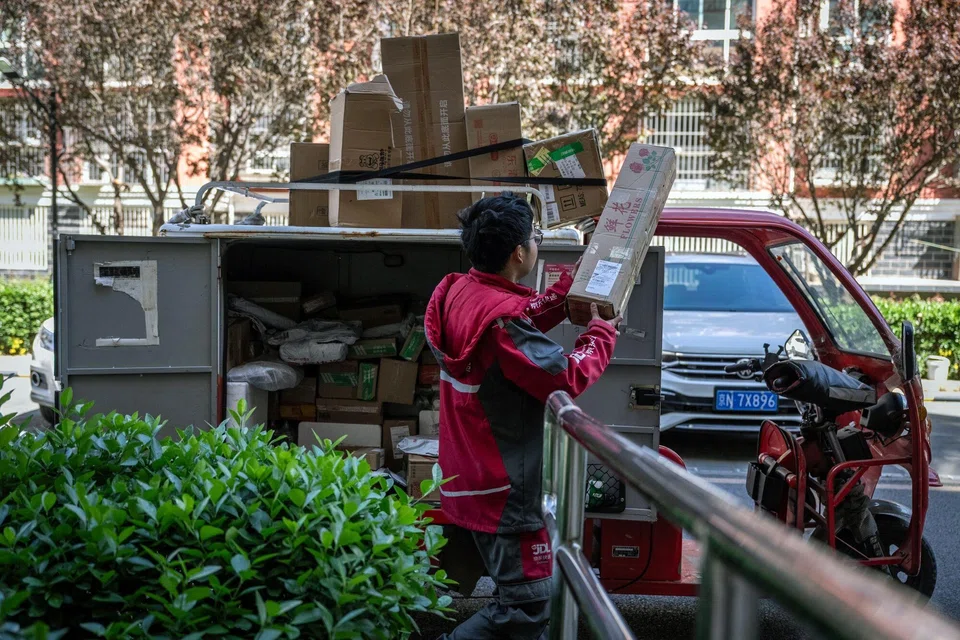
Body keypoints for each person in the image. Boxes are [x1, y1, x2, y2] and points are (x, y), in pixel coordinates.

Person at [423, 193, 622, 639]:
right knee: (527, 607)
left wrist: (574, 284)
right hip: (503, 490)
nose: (534, 244)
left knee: (514, 600)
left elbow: (520, 316)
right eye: (533, 237)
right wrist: (602, 333)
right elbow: (565, 375)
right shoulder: (503, 324)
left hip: (466, 475)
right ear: (518, 253)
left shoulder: (460, 291)